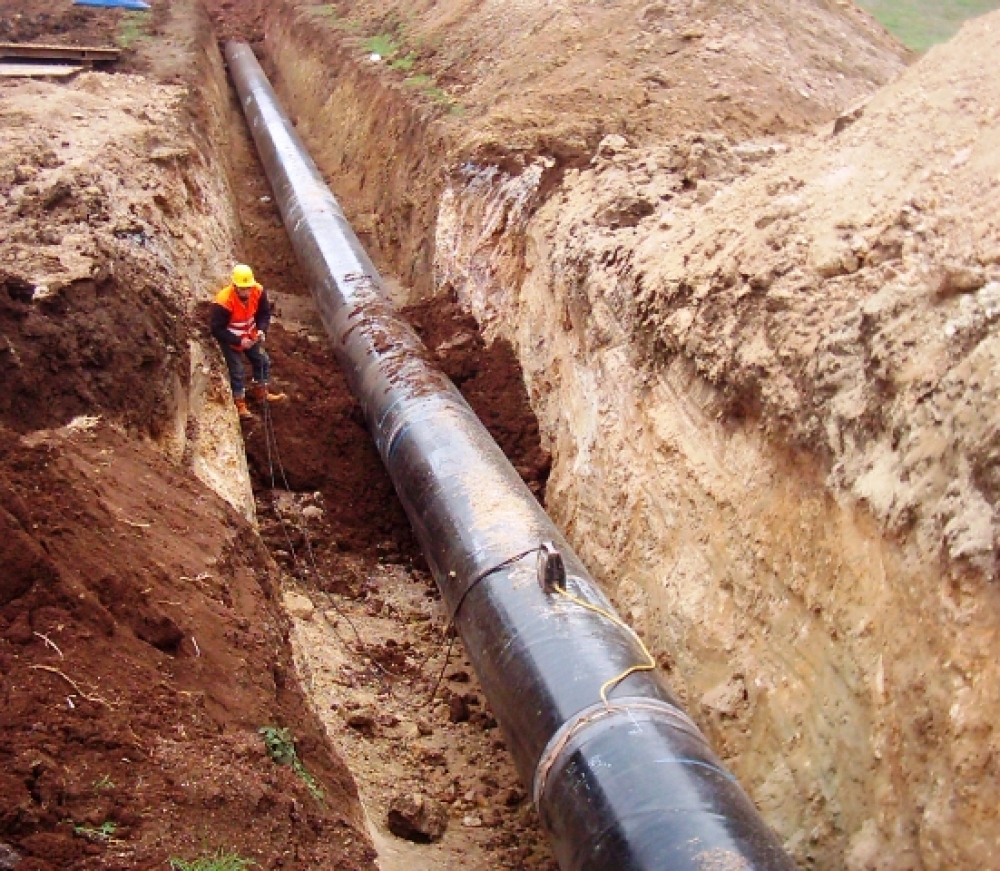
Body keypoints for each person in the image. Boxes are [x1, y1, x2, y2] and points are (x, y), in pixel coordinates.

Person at [210, 264, 286, 420]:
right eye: (243, 289)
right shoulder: (223, 301)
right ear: (235, 286)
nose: (246, 292)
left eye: (248, 288)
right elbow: (217, 329)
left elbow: (264, 314)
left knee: (262, 361)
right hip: (231, 339)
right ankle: (239, 404)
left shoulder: (258, 291)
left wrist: (261, 330)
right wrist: (238, 340)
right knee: (237, 371)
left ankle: (261, 393)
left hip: (251, 336)